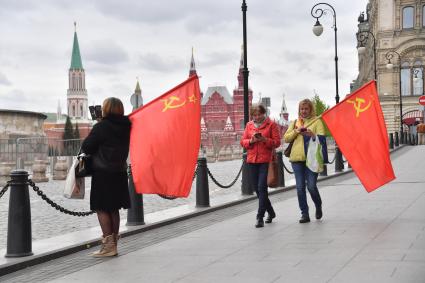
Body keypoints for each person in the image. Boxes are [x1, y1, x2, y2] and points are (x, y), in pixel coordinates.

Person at [81, 97, 131, 257]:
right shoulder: (127, 126)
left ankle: (108, 246)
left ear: (106, 109)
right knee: (114, 208)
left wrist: (99, 124)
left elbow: (87, 146)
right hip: (119, 172)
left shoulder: (101, 127)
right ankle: (113, 244)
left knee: (101, 207)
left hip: (103, 173)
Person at [284, 99, 326, 223]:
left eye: (306, 109)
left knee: (312, 186)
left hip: (312, 159)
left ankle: (318, 205)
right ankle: (304, 213)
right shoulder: (294, 122)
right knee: (300, 187)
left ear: (311, 109)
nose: (304, 111)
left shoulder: (317, 121)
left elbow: (322, 140)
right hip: (297, 159)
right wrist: (296, 131)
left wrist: (312, 135)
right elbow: (286, 138)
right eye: (302, 109)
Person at [240, 104, 281, 228]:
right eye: (255, 115)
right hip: (252, 160)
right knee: (257, 189)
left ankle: (260, 217)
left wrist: (264, 139)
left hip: (265, 161)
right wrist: (251, 141)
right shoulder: (249, 125)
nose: (257, 117)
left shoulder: (271, 124)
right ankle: (271, 212)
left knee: (262, 188)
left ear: (264, 113)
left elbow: (277, 142)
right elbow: (243, 141)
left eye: (259, 114)